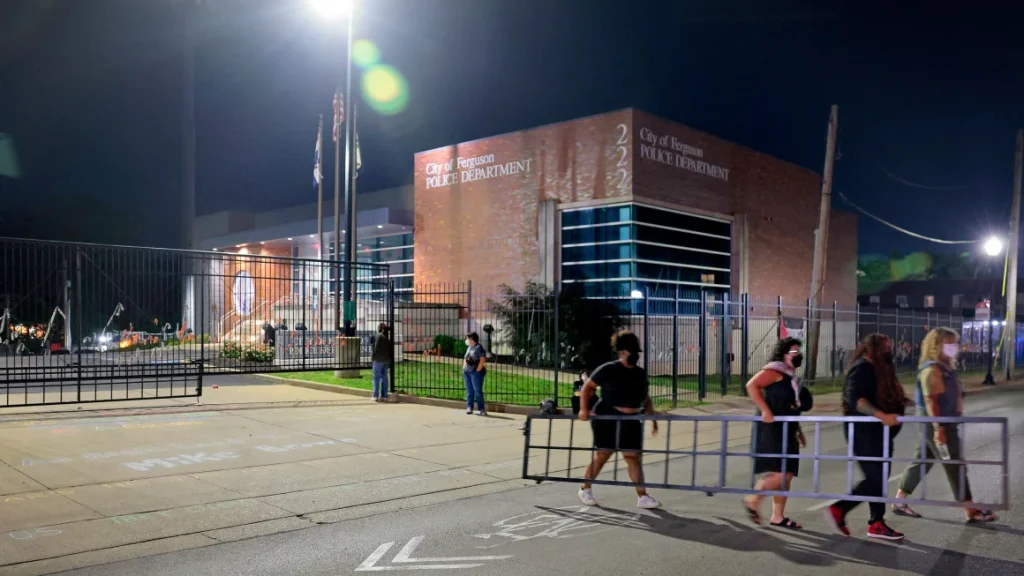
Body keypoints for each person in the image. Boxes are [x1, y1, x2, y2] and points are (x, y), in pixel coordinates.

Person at [891, 328, 998, 523]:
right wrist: (939, 429)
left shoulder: (945, 367)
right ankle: (970, 509)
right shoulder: (932, 369)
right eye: (948, 343)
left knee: (922, 460)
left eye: (954, 342)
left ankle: (899, 501)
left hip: (939, 423)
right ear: (936, 346)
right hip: (938, 424)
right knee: (955, 464)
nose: (953, 347)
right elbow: (931, 401)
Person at [824, 334, 909, 541]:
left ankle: (877, 523)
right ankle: (839, 509)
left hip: (881, 433)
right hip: (864, 433)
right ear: (874, 349)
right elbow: (856, 400)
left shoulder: (882, 369)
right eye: (886, 348)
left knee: (880, 477)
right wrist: (882, 416)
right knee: (875, 477)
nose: (890, 352)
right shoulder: (862, 367)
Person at [577, 331, 661, 509]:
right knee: (603, 454)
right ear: (622, 352)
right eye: (632, 351)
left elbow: (645, 397)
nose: (635, 355)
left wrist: (652, 418)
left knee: (633, 457)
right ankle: (585, 489)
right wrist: (583, 410)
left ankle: (642, 496)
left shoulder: (640, 373)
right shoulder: (609, 369)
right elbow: (587, 388)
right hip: (607, 417)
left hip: (631, 419)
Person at [742, 337, 810, 529]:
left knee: (787, 476)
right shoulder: (774, 370)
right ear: (784, 354)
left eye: (799, 352)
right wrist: (765, 410)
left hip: (788, 428)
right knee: (781, 474)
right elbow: (751, 386)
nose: (798, 356)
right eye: (794, 352)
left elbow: (790, 407)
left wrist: (799, 431)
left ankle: (777, 516)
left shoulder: (791, 376)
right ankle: (752, 500)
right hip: (771, 428)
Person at [464, 332, 488, 416]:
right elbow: (466, 358)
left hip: (475, 373)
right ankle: (469, 407)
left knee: (477, 391)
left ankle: (481, 409)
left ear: (472, 339)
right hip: (467, 372)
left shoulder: (478, 347)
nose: (467, 340)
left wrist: (477, 370)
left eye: (468, 338)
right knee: (469, 390)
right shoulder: (469, 347)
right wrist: (464, 367)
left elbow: (482, 359)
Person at [371, 323, 392, 402]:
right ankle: (384, 395)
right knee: (384, 377)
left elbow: (375, 348)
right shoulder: (387, 338)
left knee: (376, 377)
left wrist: (372, 357)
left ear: (379, 328)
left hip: (378, 360)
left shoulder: (378, 336)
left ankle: (375, 395)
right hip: (386, 360)